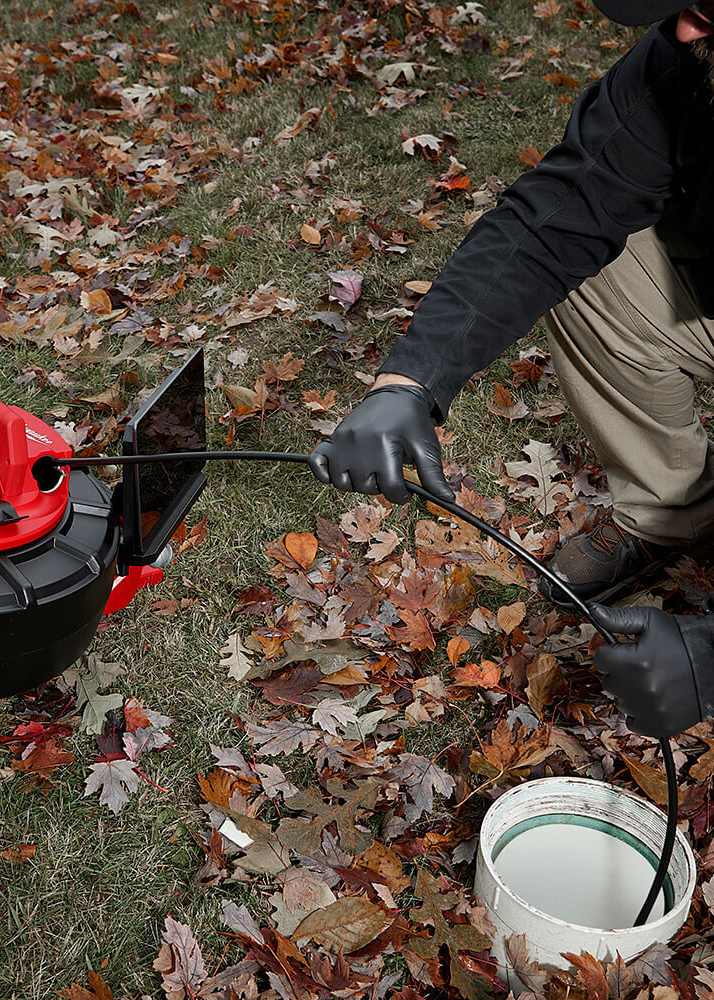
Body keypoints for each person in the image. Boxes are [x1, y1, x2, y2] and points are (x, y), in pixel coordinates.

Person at [309, 1, 714, 740]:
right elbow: (552, 220)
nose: (690, 30)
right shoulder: (682, 63)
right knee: (598, 264)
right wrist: (410, 381)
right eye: (687, 8)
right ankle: (671, 507)